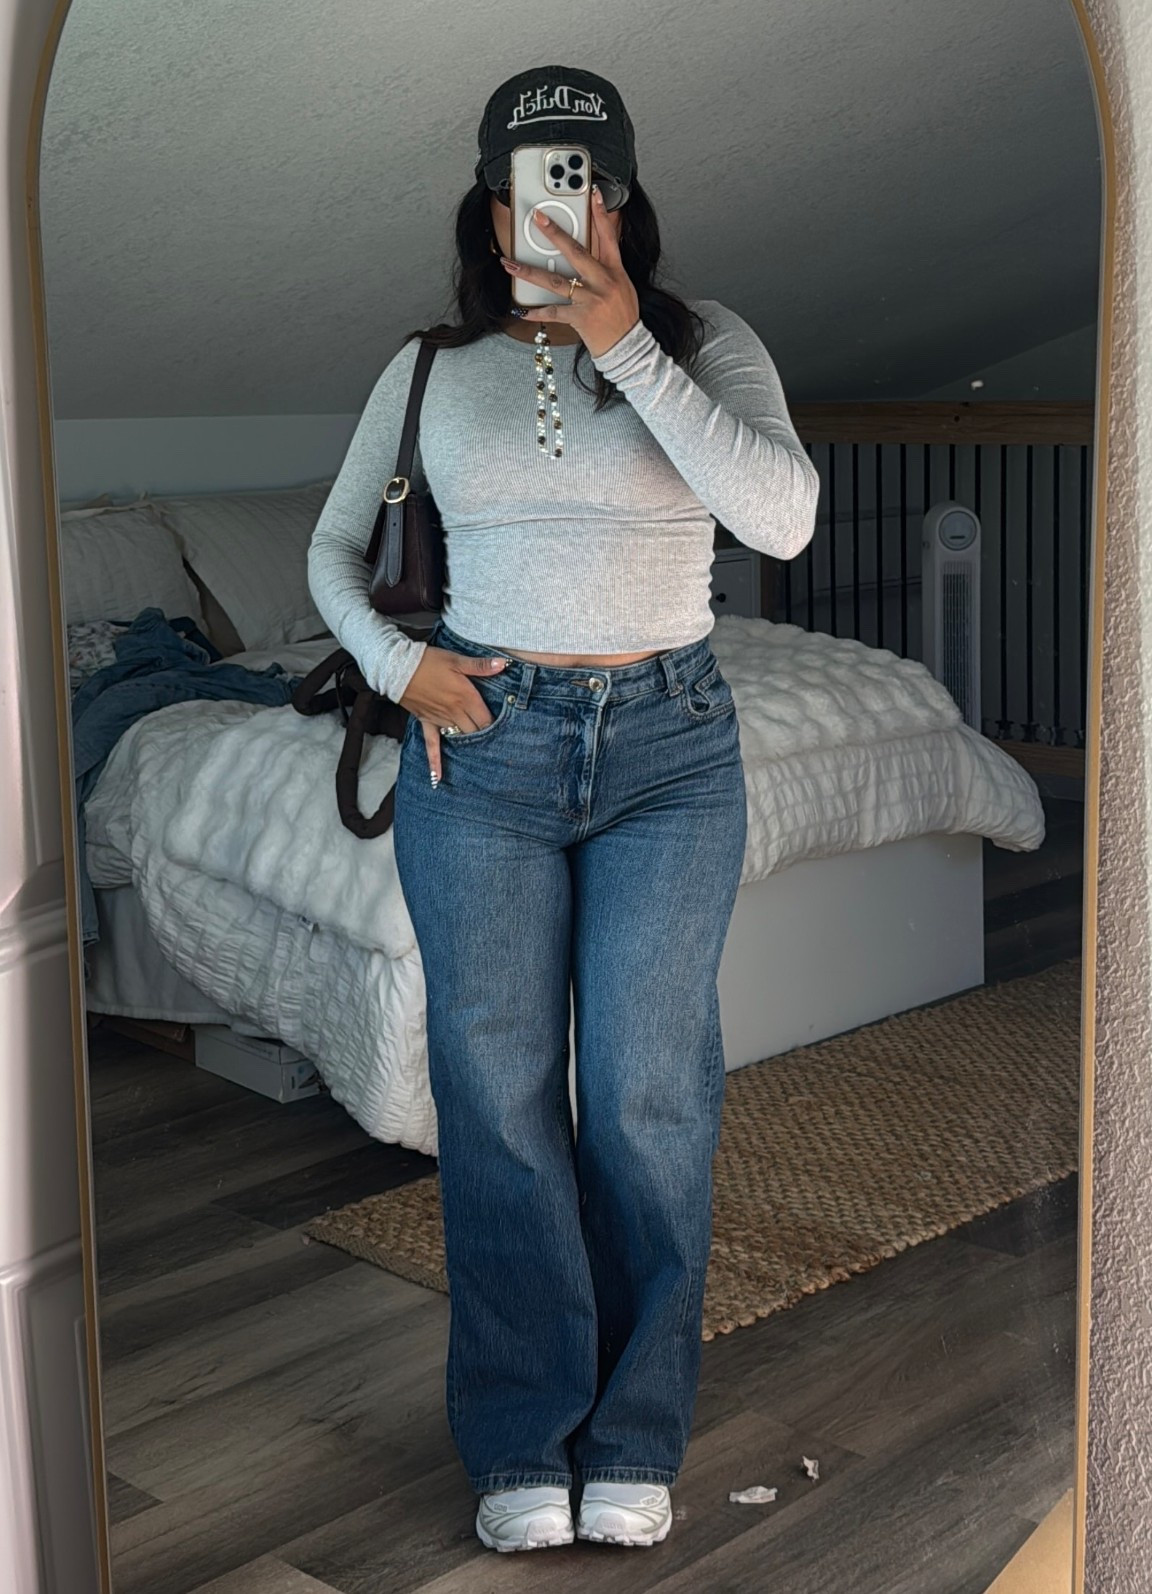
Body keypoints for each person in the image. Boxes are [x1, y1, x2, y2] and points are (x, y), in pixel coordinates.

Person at [307, 63, 819, 1554]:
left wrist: (626, 343)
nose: (557, 208)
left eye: (585, 180)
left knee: (651, 1100)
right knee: (500, 1104)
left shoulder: (708, 343)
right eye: (530, 184)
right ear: (490, 209)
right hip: (487, 760)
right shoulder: (428, 368)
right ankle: (525, 1432)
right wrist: (402, 668)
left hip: (672, 753)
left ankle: (636, 1432)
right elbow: (335, 554)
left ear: (623, 199)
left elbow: (783, 519)